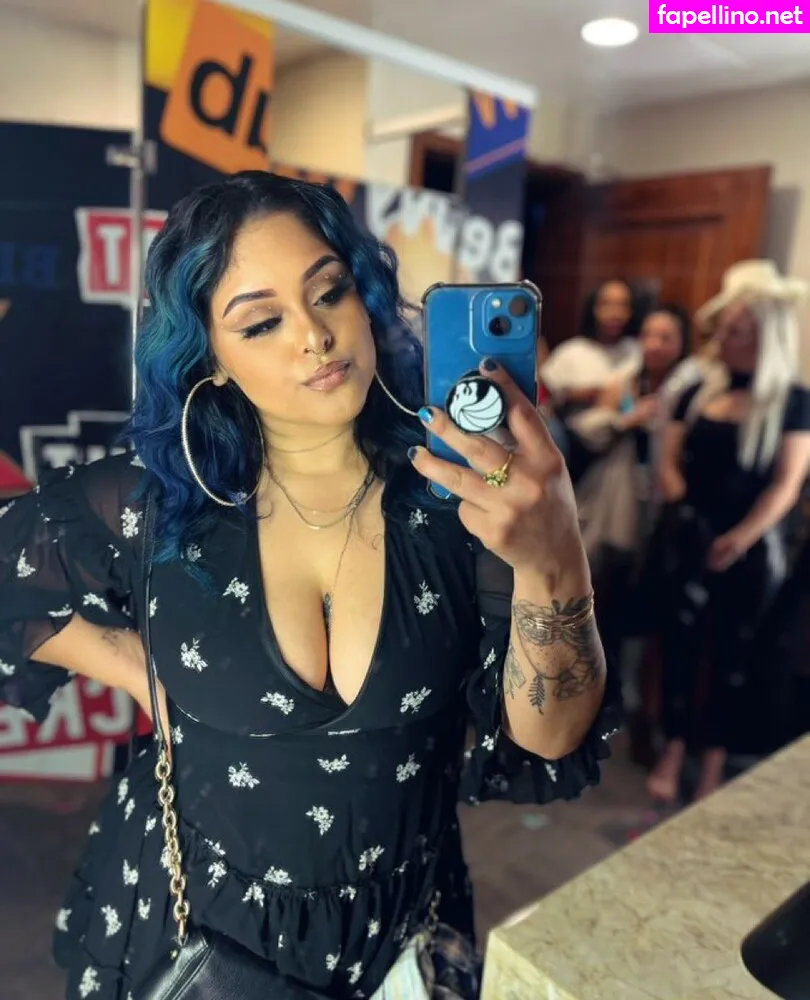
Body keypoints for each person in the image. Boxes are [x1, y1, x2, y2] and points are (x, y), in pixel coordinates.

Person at [0, 171, 618, 1000]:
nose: (316, 337)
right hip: (196, 935)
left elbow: (550, 735)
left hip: (398, 937)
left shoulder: (461, 499)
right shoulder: (155, 507)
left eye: (329, 294)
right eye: (262, 322)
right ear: (210, 359)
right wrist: (137, 670)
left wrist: (555, 557)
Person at [649, 260, 810, 803]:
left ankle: (713, 763)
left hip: (750, 548)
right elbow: (669, 459)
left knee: (732, 658)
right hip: (690, 537)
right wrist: (684, 508)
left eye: (737, 331)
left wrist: (740, 538)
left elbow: (786, 484)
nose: (723, 339)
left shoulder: (794, 401)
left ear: (767, 337)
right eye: (724, 328)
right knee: (679, 648)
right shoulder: (698, 390)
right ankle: (673, 748)